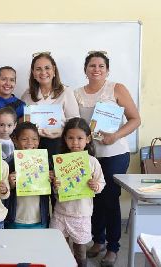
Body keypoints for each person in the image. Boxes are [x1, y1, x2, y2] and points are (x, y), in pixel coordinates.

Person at [75, 51, 141, 266]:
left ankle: (113, 247)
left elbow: (135, 119)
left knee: (110, 200)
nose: (96, 69)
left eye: (101, 66)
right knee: (92, 198)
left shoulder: (117, 88)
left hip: (115, 154)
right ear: (85, 70)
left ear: (107, 70)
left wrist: (115, 136)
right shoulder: (76, 93)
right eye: (92, 65)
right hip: (89, 156)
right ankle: (98, 241)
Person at [50, 118, 105, 267]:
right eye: (71, 138)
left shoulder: (92, 162)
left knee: (80, 251)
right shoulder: (61, 162)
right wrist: (56, 185)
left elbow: (101, 183)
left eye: (80, 138)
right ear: (65, 139)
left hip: (81, 214)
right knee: (58, 246)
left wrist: (96, 186)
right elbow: (56, 191)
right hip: (61, 212)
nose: (75, 142)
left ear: (88, 139)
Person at [21, 52, 80, 165]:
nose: (43, 72)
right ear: (33, 73)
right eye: (38, 69)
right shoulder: (27, 95)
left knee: (56, 181)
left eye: (47, 68)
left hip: (59, 145)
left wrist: (60, 133)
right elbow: (25, 123)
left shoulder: (66, 92)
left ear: (53, 70)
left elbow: (74, 123)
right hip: (33, 147)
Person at [5, 121, 49, 229]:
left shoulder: (46, 163)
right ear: (15, 140)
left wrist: (51, 179)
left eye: (34, 139)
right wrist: (10, 184)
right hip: (16, 219)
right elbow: (2, 192)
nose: (30, 143)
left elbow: (54, 190)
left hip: (39, 218)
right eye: (24, 139)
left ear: (39, 140)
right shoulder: (8, 164)